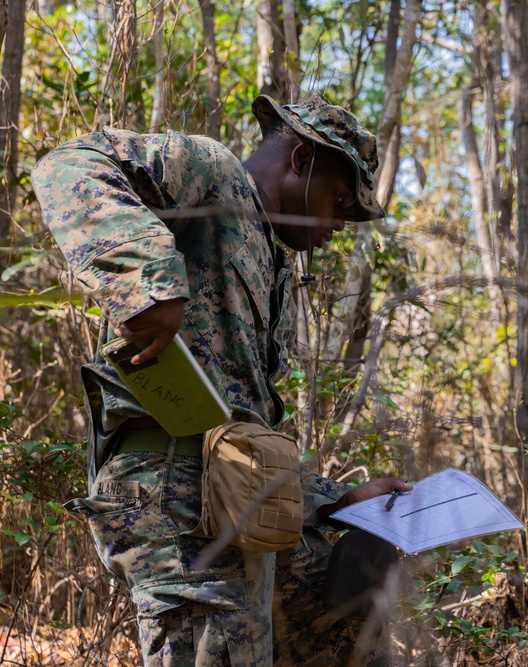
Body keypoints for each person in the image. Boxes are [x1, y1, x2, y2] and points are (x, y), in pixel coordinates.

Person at [31, 91, 411, 666]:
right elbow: (70, 163)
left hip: (240, 509)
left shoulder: (271, 260)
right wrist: (145, 282)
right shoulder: (212, 172)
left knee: (345, 631)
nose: (337, 225)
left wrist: (338, 500)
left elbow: (239, 430)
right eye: (337, 202)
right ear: (301, 160)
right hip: (178, 504)